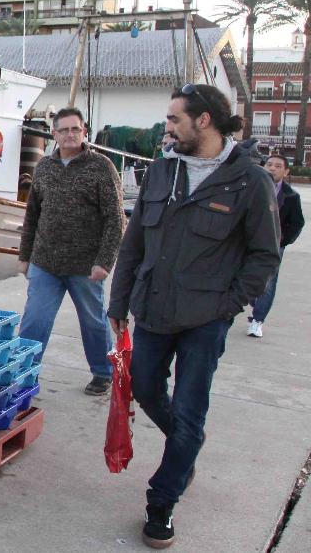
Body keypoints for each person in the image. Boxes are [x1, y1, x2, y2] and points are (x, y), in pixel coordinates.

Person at [109, 83, 280, 549]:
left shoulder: (249, 181)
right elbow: (134, 246)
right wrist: (118, 304)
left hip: (205, 320)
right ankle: (188, 449)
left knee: (188, 412)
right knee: (143, 388)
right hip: (152, 310)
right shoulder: (162, 172)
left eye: (173, 120)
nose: (166, 128)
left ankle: (161, 502)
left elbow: (265, 256)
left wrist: (228, 307)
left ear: (203, 121)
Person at [17, 106, 125, 396]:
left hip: (86, 266)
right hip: (45, 262)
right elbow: (32, 215)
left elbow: (116, 219)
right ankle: (23, 374)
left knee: (93, 321)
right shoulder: (44, 168)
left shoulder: (101, 167)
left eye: (75, 129)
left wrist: (105, 261)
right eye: (63, 130)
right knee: (35, 320)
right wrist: (24, 256)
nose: (69, 135)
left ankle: (103, 372)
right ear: (54, 134)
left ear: (84, 131)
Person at [248, 153, 304, 337]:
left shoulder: (290, 196)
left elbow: (297, 223)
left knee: (268, 284)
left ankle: (257, 321)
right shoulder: (251, 188)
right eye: (269, 164)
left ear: (286, 171)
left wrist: (282, 240)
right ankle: (253, 300)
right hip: (247, 243)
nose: (272, 168)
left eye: (278, 166)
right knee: (247, 281)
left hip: (273, 246)